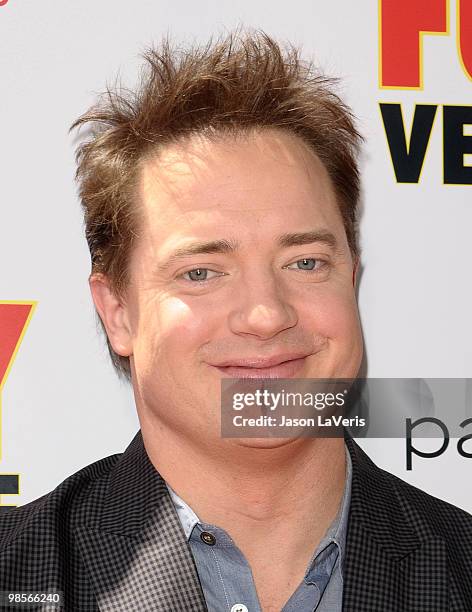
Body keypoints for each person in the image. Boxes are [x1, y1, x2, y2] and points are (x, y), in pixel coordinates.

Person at [0, 31, 471, 612]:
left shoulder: (462, 563)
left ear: (351, 281)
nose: (267, 314)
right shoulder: (16, 573)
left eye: (305, 262)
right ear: (117, 311)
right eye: (202, 272)